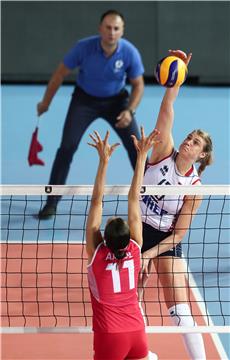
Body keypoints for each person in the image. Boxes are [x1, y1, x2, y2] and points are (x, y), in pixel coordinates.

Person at [138, 50, 213, 360]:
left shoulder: (194, 188)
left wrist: (149, 255)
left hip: (166, 239)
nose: (189, 142)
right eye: (190, 137)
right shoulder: (161, 153)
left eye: (196, 142)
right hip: (138, 228)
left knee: (180, 308)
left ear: (202, 155)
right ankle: (141, 354)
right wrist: (177, 76)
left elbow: (178, 235)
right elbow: (167, 108)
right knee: (131, 299)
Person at [37, 9, 145, 219]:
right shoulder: (83, 47)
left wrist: (129, 111)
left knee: (138, 148)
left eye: (116, 28)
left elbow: (138, 85)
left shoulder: (129, 52)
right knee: (67, 147)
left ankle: (150, 199)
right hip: (84, 100)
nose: (111, 32)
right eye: (108, 27)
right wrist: (45, 103)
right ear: (100, 29)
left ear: (122, 31)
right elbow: (59, 74)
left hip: (117, 102)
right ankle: (51, 202)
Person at [86, 128, 159, 359]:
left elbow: (97, 201)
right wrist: (141, 156)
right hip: (137, 331)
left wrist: (103, 161)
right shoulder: (136, 247)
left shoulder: (97, 252)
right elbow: (134, 197)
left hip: (110, 334)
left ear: (104, 239)